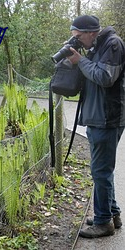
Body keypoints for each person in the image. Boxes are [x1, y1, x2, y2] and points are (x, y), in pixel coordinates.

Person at [67, 15, 125, 238]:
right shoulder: (96, 46)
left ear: (91, 32)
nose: (78, 41)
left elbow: (104, 77)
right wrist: (77, 59)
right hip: (97, 117)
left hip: (107, 118)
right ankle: (112, 214)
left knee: (100, 171)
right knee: (102, 171)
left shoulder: (113, 44)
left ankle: (103, 223)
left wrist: (80, 61)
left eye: (79, 37)